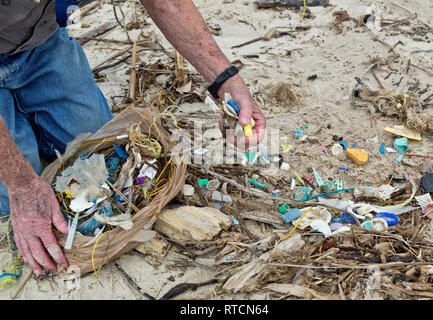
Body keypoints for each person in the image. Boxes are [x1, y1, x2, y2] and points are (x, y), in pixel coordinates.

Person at [0, 0, 266, 276]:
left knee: (96, 155)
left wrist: (225, 80)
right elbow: (22, 190)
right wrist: (22, 186)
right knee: (11, 204)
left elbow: (167, 3)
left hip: (39, 40)